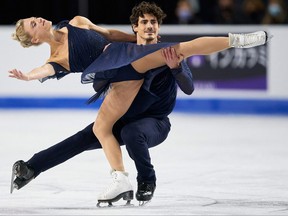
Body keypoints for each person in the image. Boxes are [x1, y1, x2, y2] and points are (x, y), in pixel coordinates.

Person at [9, 1, 270, 205]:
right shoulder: (55, 60)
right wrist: (27, 76)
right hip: (114, 76)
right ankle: (116, 178)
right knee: (97, 131)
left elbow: (107, 33)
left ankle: (239, 40)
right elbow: (42, 72)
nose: (38, 19)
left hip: (137, 86)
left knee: (181, 49)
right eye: (34, 23)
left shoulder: (76, 22)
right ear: (34, 39)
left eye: (35, 18)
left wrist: (149, 51)